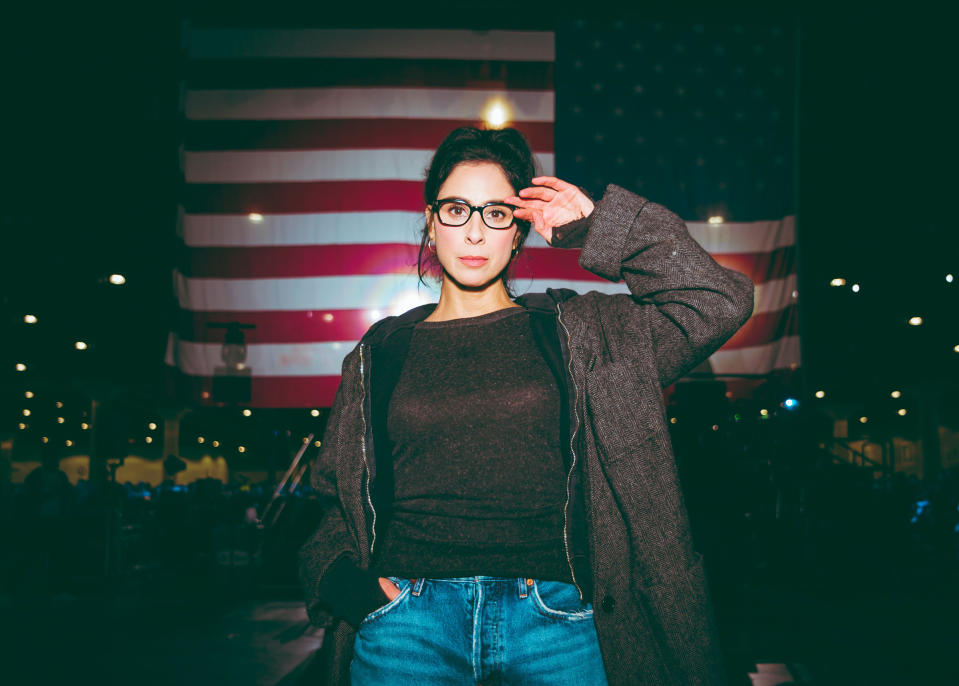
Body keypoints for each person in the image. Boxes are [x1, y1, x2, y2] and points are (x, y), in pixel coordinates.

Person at [298, 126, 754, 685]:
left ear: (517, 233)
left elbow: (716, 299)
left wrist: (596, 226)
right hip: (407, 627)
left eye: (495, 213)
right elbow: (330, 499)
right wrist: (352, 590)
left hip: (556, 625)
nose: (474, 232)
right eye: (457, 209)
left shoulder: (584, 332)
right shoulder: (380, 351)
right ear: (430, 221)